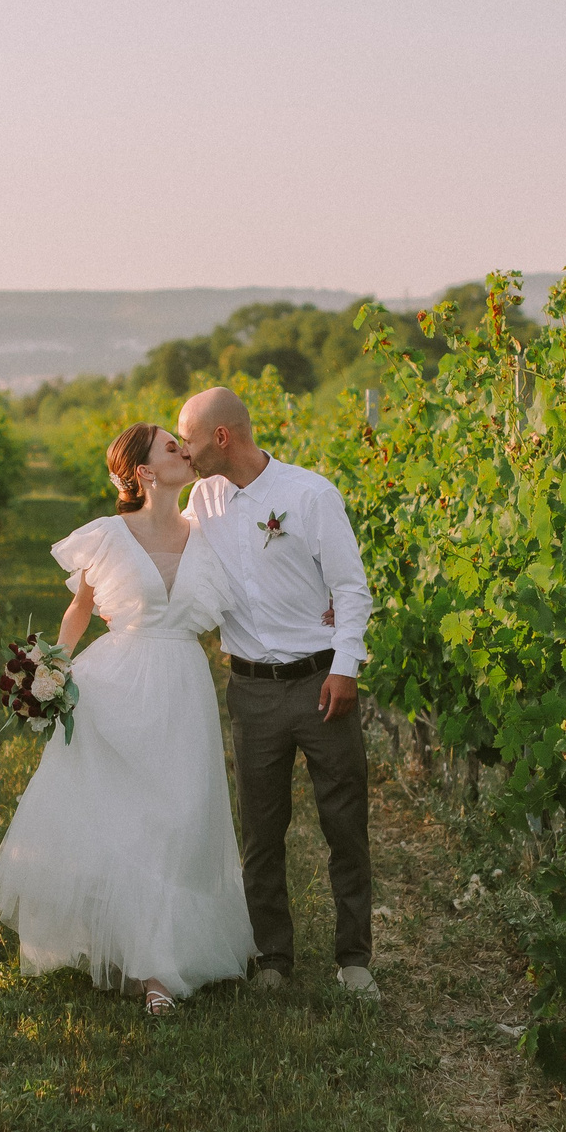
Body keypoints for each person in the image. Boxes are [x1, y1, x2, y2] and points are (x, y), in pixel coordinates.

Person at [0, 422, 258, 1016]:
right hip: (118, 683)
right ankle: (150, 968)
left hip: (183, 685)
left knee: (180, 819)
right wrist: (50, 670)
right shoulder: (106, 536)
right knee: (129, 821)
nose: (186, 451)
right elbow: (79, 609)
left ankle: (162, 952)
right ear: (144, 472)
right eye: (171, 447)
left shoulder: (206, 535)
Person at [174, 387, 379, 1001]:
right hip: (251, 689)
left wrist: (345, 667)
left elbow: (351, 587)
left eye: (187, 438)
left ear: (221, 437)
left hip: (321, 682)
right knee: (261, 830)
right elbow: (170, 555)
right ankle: (272, 956)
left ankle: (354, 959)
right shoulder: (200, 500)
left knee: (344, 822)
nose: (182, 451)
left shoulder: (309, 495)